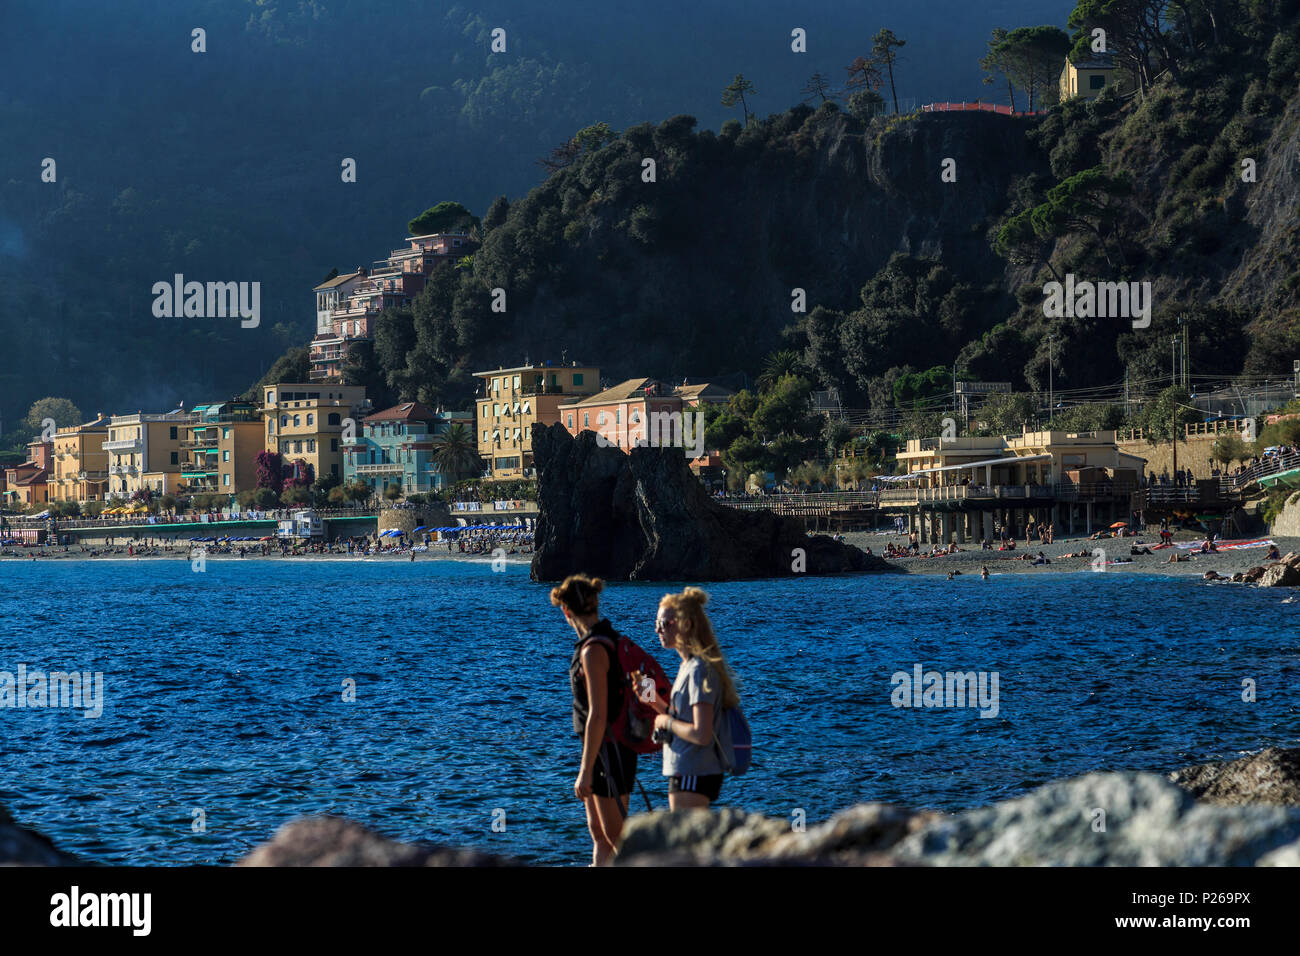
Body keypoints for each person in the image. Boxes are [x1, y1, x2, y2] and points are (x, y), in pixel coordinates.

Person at [552, 574, 636, 866]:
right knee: (599, 833)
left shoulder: (593, 650)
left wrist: (585, 771)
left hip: (609, 751)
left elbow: (598, 713)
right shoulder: (605, 639)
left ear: (567, 611)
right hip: (607, 748)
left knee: (617, 838)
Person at [643, 587, 739, 810]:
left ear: (686, 624)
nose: (658, 629)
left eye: (666, 623)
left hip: (693, 771)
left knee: (688, 842)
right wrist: (653, 702)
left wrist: (667, 723)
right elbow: (684, 718)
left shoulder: (698, 670)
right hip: (688, 769)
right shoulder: (688, 666)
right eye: (657, 623)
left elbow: (701, 733)